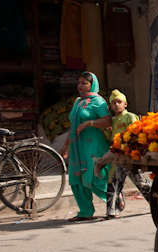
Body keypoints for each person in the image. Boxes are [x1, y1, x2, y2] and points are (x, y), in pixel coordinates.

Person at [60, 72, 112, 221]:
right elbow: (73, 125)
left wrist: (89, 123)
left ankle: (114, 199)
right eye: (79, 82)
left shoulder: (98, 101)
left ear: (92, 84)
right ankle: (85, 211)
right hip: (78, 146)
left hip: (94, 143)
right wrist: (65, 145)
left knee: (93, 175)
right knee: (76, 178)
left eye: (85, 83)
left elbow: (108, 121)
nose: (81, 86)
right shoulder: (78, 102)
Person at [103, 89, 152, 220]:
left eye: (119, 102)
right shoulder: (113, 121)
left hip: (129, 158)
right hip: (117, 157)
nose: (116, 105)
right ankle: (112, 212)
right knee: (113, 183)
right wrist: (105, 131)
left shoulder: (130, 117)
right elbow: (111, 137)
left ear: (125, 104)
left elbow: (136, 133)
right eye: (113, 103)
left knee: (140, 182)